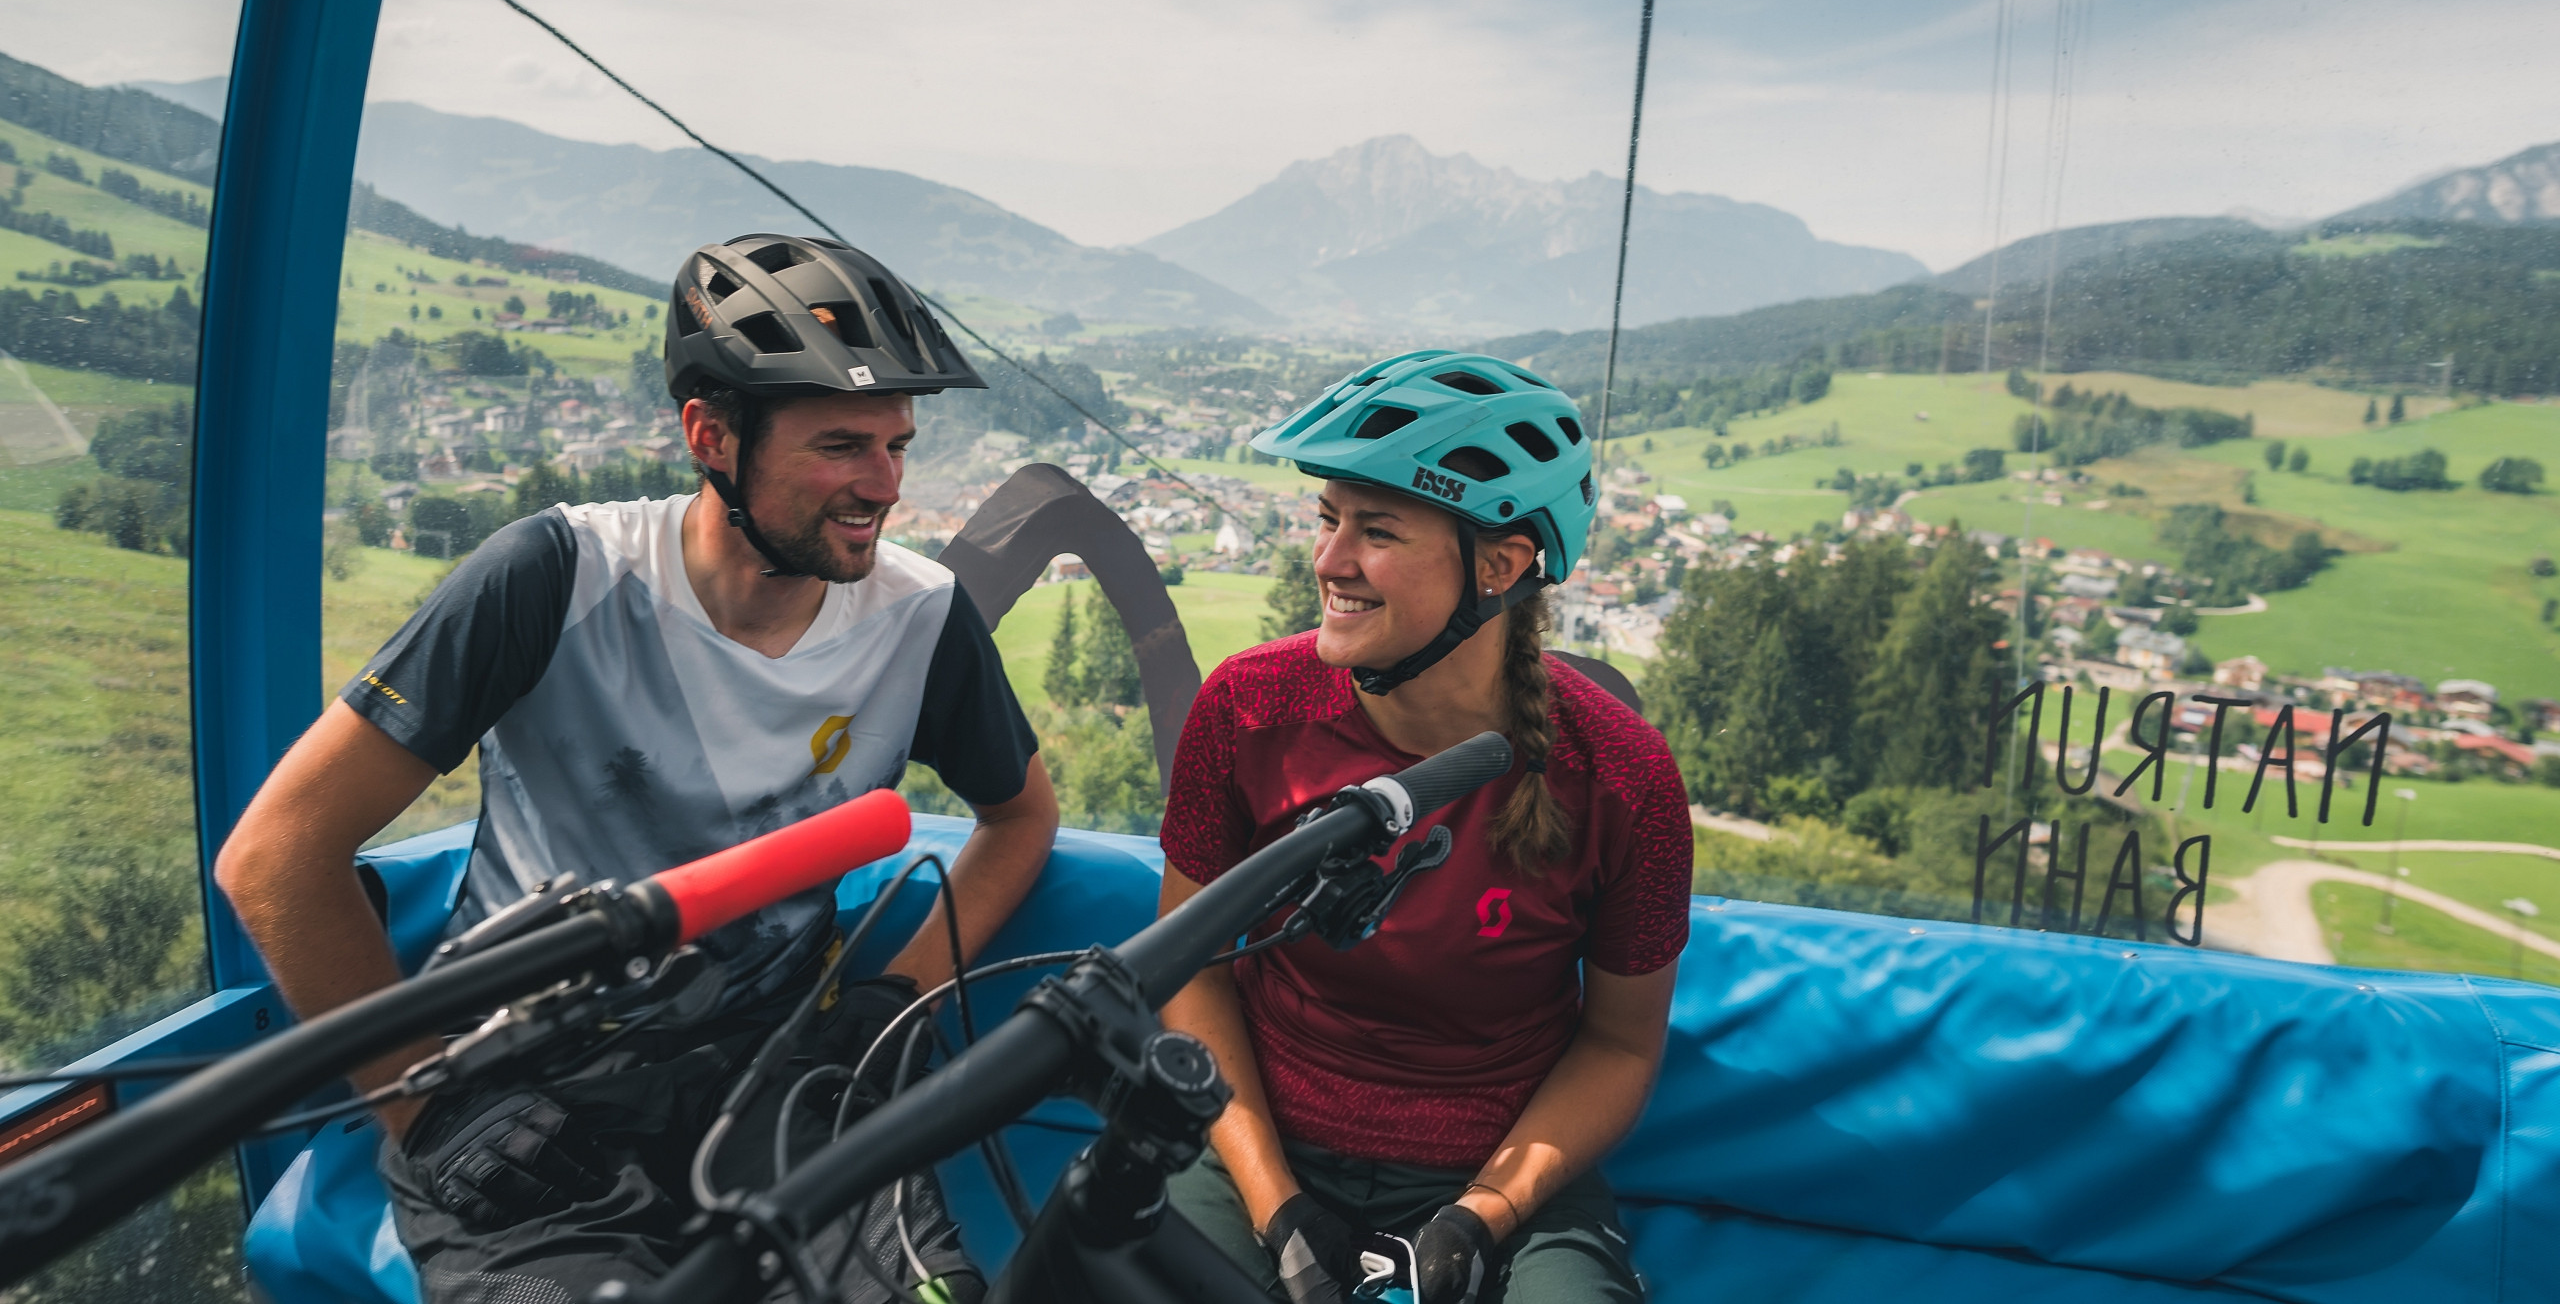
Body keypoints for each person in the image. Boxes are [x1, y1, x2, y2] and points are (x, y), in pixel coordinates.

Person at [216, 234, 1059, 1304]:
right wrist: (426, 1105)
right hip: (524, 1096)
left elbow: (1019, 816)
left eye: (897, 444)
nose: (884, 485)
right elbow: (275, 857)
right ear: (711, 435)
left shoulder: (921, 615)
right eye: (843, 445)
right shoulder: (555, 575)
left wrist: (893, 994)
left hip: (775, 1078)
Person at [1156, 351, 1692, 1304]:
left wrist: (1481, 1214)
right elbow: (1190, 969)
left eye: (1377, 530)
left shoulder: (1623, 776)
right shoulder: (1246, 706)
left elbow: (1620, 1044)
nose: (1329, 560)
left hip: (1500, 1164)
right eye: (1327, 518)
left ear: (1500, 566)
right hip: (1259, 1145)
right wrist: (1278, 1207)